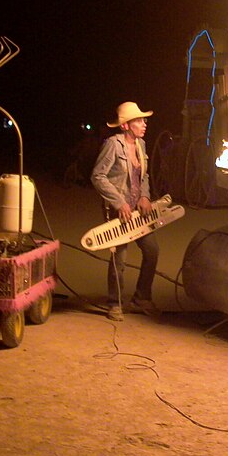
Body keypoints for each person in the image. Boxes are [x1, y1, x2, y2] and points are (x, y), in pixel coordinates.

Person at [91, 101, 161, 320]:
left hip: (138, 213)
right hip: (119, 213)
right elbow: (98, 176)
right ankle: (115, 302)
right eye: (139, 120)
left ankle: (141, 297)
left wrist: (144, 196)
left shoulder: (141, 145)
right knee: (119, 258)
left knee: (151, 250)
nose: (144, 124)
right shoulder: (113, 144)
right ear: (126, 126)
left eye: (144, 120)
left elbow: (145, 176)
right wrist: (119, 202)